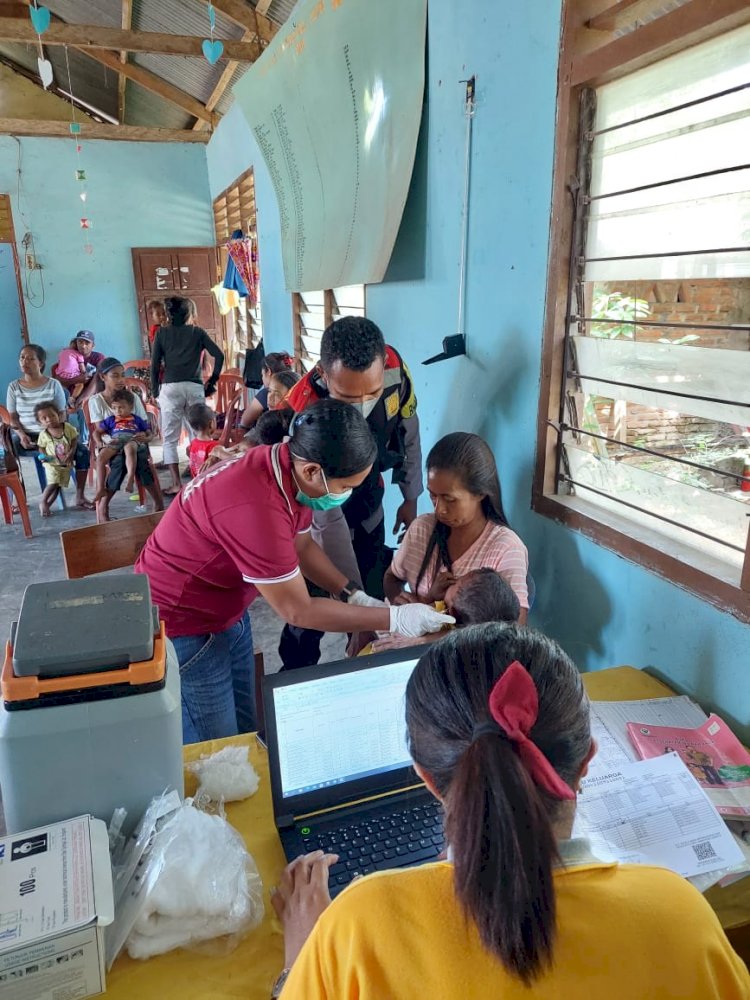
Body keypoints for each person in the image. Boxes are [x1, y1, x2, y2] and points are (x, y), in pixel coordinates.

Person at [271, 624, 750, 1000]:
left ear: (426, 778)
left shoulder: (360, 922)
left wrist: (300, 959)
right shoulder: (677, 914)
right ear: (586, 761)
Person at [135, 400, 452, 745]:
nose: (346, 495)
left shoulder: (283, 466)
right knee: (219, 748)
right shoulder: (257, 507)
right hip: (181, 621)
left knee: (246, 729)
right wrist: (392, 618)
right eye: (345, 487)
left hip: (224, 607)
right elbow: (298, 610)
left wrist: (350, 593)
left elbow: (301, 547)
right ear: (314, 471)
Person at [280, 316, 423, 669]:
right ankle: (296, 679)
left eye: (372, 394)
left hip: (370, 503)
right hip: (318, 516)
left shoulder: (395, 369)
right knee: (311, 614)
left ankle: (364, 668)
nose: (361, 406)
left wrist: (410, 496)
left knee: (373, 594)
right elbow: (327, 524)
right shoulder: (304, 412)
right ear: (324, 377)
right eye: (346, 397)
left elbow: (410, 432)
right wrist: (352, 597)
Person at [384, 432, 529, 621]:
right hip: (411, 643)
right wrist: (401, 600)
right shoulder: (421, 529)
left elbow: (512, 629)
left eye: (449, 499)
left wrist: (429, 613)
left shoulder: (506, 549)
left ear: (480, 493)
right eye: (433, 495)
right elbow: (392, 577)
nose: (439, 509)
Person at [151, 295, 224, 495]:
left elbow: (155, 364)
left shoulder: (162, 334)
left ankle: (176, 484)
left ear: (167, 315)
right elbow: (219, 354)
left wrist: (154, 390)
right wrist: (212, 381)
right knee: (197, 434)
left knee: (170, 439)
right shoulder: (197, 332)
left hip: (170, 388)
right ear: (189, 314)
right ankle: (198, 479)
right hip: (194, 386)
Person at [6, 344, 93, 509]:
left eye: (31, 358)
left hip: (53, 432)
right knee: (9, 454)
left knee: (81, 452)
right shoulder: (14, 387)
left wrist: (54, 436)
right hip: (27, 434)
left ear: (40, 363)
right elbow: (13, 418)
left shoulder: (53, 384)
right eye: (22, 357)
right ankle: (19, 498)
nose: (25, 361)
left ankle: (80, 496)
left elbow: (62, 414)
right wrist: (22, 435)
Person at [359, 567, 520, 656]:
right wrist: (428, 598)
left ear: (453, 614)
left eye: (457, 584)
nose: (452, 582)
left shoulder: (452, 640)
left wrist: (418, 641)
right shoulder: (446, 611)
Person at [89, 357, 163, 523]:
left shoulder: (132, 398)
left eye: (122, 375)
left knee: (140, 458)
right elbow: (100, 431)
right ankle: (103, 506)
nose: (121, 380)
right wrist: (111, 443)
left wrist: (146, 437)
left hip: (134, 441)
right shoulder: (96, 401)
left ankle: (158, 503)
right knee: (119, 461)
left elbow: (145, 427)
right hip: (111, 444)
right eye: (115, 376)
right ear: (102, 377)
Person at [95, 389, 152, 498]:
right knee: (100, 458)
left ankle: (130, 479)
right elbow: (96, 432)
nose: (117, 411)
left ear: (131, 407)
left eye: (121, 407)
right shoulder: (111, 420)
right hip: (116, 440)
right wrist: (99, 442)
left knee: (130, 449)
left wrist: (147, 439)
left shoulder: (137, 419)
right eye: (114, 408)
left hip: (132, 439)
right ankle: (100, 488)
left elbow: (149, 433)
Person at [35, 402, 78, 516]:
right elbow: (41, 447)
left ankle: (47, 507)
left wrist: (72, 451)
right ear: (40, 422)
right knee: (53, 483)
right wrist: (43, 456)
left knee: (58, 486)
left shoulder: (67, 427)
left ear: (58, 415)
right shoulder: (44, 434)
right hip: (51, 463)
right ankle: (43, 501)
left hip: (65, 463)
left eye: (52, 415)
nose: (49, 419)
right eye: (44, 418)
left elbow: (74, 439)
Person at [238, 351, 295, 432]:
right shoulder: (294, 387)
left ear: (268, 372)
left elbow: (245, 422)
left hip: (268, 436)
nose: (262, 378)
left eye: (262, 375)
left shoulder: (267, 393)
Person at [186, 402, 220, 478]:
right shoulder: (214, 446)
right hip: (208, 483)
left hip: (195, 481)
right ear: (211, 423)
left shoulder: (193, 443)